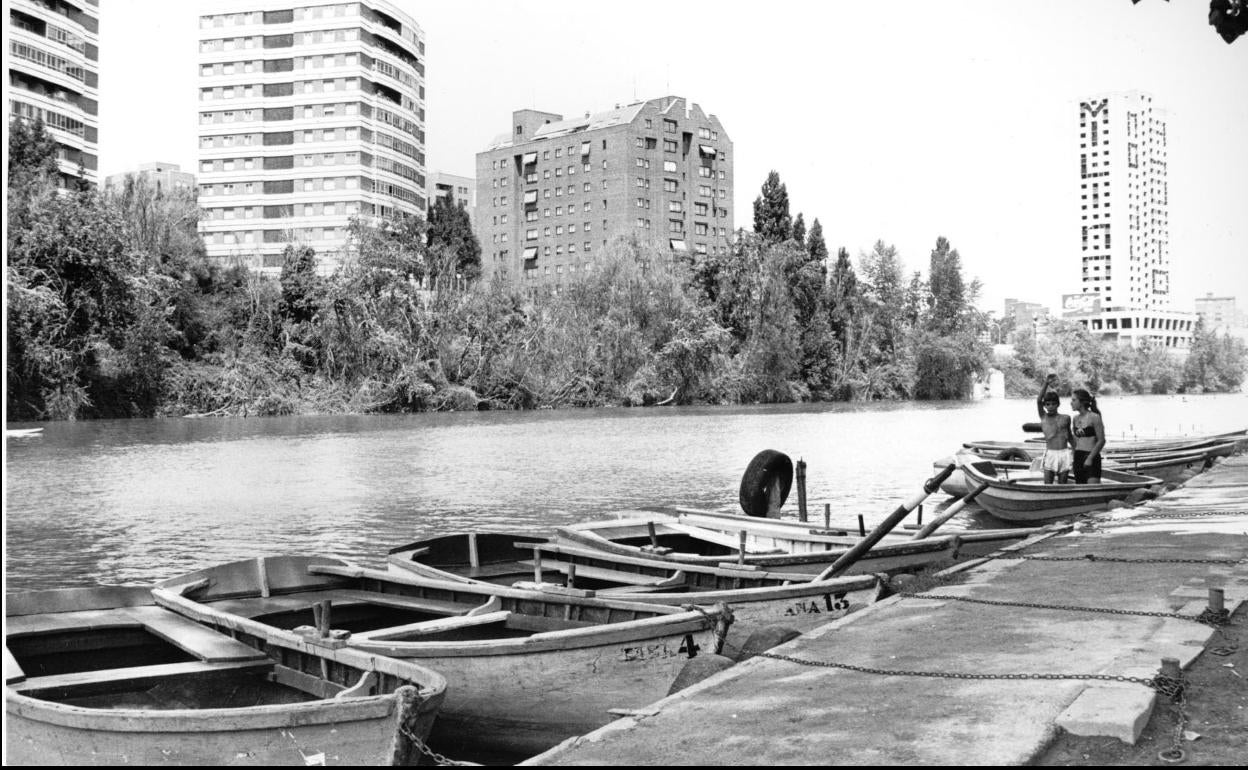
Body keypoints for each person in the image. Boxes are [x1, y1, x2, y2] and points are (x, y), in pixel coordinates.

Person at [1035, 374, 1073, 483]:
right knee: (1047, 485)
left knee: (1062, 485)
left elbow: (1069, 436)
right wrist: (1046, 383)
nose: (1050, 406)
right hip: (1050, 453)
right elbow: (1038, 400)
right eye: (1047, 404)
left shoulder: (1066, 418)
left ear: (1058, 404)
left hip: (1064, 453)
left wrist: (1077, 450)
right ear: (1045, 406)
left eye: (1053, 404)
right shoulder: (1043, 417)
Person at [1070, 388, 1106, 484]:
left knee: (1092, 489)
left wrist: (1090, 458)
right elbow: (1076, 440)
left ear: (1082, 402)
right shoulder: (1075, 418)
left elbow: (1101, 440)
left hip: (1091, 456)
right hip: (1078, 457)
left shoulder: (1094, 417)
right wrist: (1073, 455)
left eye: (1074, 400)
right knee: (1080, 489)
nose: (1071, 403)